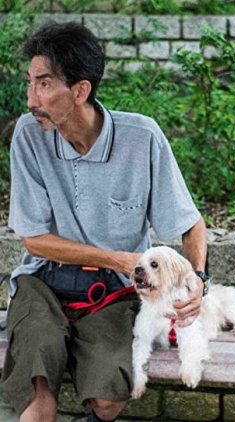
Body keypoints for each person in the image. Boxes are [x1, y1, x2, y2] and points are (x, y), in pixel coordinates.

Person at [0, 22, 208, 422]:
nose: (30, 99)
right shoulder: (29, 135)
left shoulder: (142, 137)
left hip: (114, 293)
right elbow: (35, 241)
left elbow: (189, 223)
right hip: (42, 282)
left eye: (43, 84)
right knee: (39, 401)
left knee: (109, 398)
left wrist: (197, 278)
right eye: (29, 83)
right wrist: (115, 257)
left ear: (80, 90)